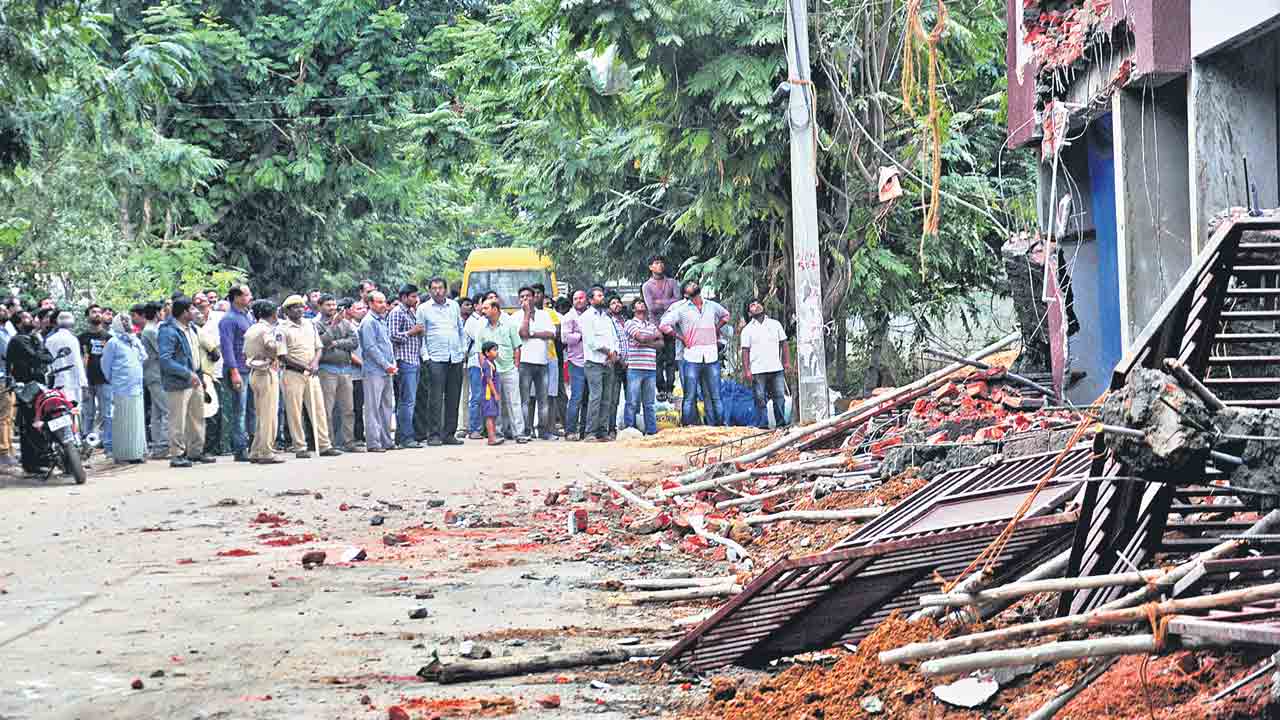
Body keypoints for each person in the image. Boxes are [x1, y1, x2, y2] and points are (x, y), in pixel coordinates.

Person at [660, 280, 730, 426]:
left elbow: (726, 315)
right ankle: (688, 426)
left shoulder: (711, 305)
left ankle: (719, 425)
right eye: (689, 285)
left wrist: (716, 329)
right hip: (692, 356)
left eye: (694, 283)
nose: (693, 285)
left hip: (711, 354)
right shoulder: (681, 309)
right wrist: (680, 337)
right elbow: (663, 324)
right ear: (686, 293)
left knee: (715, 395)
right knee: (689, 396)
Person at [279, 294, 341, 459]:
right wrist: (305, 366)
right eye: (295, 307)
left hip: (311, 373)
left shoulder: (309, 324)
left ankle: (324, 444)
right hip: (293, 373)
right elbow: (282, 355)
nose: (299, 310)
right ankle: (300, 446)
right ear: (287, 310)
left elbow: (319, 347)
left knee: (318, 409)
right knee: (295, 411)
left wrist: (314, 363)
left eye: (301, 306)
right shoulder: (282, 328)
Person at [157, 296, 214, 468]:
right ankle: (177, 454)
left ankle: (196, 451)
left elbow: (194, 356)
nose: (196, 312)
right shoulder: (168, 331)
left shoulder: (192, 329)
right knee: (178, 420)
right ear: (183, 312)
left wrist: (200, 377)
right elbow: (165, 360)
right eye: (192, 309)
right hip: (178, 383)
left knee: (197, 417)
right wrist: (187, 374)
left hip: (194, 379)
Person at [415, 277, 465, 446]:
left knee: (453, 396)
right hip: (435, 358)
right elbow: (421, 336)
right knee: (435, 398)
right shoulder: (423, 309)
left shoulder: (454, 306)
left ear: (445, 289)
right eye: (434, 288)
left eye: (440, 288)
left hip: (455, 356)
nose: (437, 291)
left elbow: (460, 329)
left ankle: (449, 434)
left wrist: (463, 350)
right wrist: (426, 357)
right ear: (429, 290)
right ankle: (434, 434)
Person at [6, 310, 54, 474]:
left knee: (42, 421)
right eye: (27, 317)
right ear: (19, 322)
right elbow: (36, 356)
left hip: (39, 385)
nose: (32, 319)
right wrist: (40, 353)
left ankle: (45, 459)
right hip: (26, 388)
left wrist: (40, 351)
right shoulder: (18, 340)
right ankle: (31, 464)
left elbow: (48, 357)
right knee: (30, 425)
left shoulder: (33, 338)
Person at [475, 298, 528, 443]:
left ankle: (519, 433)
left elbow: (517, 347)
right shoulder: (481, 328)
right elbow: (480, 352)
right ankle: (498, 433)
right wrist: (485, 370)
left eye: (486, 308)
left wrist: (516, 366)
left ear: (495, 309)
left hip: (509, 369)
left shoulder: (509, 324)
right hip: (493, 373)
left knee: (514, 402)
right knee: (495, 402)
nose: (482, 310)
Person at [100, 314, 148, 464]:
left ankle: (136, 452)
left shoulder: (134, 340)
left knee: (136, 421)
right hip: (121, 388)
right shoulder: (113, 342)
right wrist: (115, 380)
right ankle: (122, 455)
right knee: (122, 422)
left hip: (136, 387)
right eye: (124, 321)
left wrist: (135, 340)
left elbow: (144, 356)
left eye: (128, 321)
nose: (127, 324)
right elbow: (105, 366)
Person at [243, 300, 286, 464]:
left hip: (254, 372)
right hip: (267, 371)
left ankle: (256, 450)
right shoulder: (267, 330)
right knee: (269, 415)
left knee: (261, 414)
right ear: (273, 313)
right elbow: (271, 345)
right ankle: (267, 452)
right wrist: (279, 347)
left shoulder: (251, 329)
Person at [318, 295, 362, 453]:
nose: (332, 307)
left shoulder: (346, 323)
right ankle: (327, 443)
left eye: (333, 304)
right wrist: (332, 327)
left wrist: (336, 343)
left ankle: (348, 442)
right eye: (328, 305)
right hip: (327, 369)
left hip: (345, 369)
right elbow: (321, 343)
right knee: (327, 409)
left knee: (348, 408)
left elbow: (354, 342)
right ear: (320, 306)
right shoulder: (316, 324)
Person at [514, 286, 557, 441]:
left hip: (542, 362)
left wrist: (532, 333)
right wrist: (526, 315)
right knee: (525, 400)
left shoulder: (544, 315)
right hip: (524, 363)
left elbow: (552, 334)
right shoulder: (516, 316)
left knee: (543, 399)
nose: (525, 299)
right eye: (522, 297)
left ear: (534, 298)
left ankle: (544, 431)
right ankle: (527, 431)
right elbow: (522, 334)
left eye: (528, 296)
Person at [741, 298, 791, 429]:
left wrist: (786, 362)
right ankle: (763, 426)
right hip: (758, 370)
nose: (756, 306)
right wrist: (747, 370)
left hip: (776, 367)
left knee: (779, 398)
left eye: (758, 303)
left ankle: (781, 426)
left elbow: (784, 343)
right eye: (752, 305)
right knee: (759, 399)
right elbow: (745, 351)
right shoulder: (747, 330)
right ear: (749, 312)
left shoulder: (775, 324)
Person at [219, 285, 255, 462]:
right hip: (238, 369)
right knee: (239, 411)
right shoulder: (228, 319)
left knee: (251, 409)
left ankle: (253, 444)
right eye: (247, 294)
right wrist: (233, 371)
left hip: (250, 368)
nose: (250, 297)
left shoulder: (247, 316)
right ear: (236, 297)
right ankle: (240, 449)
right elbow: (227, 348)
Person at [359, 291, 397, 453]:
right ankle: (374, 442)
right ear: (370, 304)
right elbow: (370, 348)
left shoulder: (381, 320)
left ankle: (386, 440)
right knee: (373, 407)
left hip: (386, 369)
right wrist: (386, 364)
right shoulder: (368, 322)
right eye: (379, 302)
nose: (383, 305)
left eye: (384, 301)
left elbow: (386, 345)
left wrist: (391, 364)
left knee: (386, 406)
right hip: (374, 370)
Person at [581, 286, 620, 443]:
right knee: (595, 397)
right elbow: (591, 342)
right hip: (594, 363)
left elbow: (615, 339)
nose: (601, 298)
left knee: (607, 398)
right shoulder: (586, 317)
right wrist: (608, 353)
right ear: (591, 300)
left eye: (602, 295)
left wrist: (614, 353)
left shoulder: (607, 318)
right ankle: (590, 432)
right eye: (598, 295)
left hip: (608, 363)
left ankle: (603, 432)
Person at [388, 283, 424, 449]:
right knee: (406, 401)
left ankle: (403, 436)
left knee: (410, 401)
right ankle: (406, 437)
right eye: (413, 296)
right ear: (404, 297)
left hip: (414, 359)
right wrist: (412, 331)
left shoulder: (410, 312)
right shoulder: (397, 312)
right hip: (404, 360)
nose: (416, 299)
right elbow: (392, 335)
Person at [642, 256, 682, 401]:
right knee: (658, 360)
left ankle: (670, 388)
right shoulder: (647, 286)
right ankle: (660, 389)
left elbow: (679, 302)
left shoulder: (672, 282)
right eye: (656, 263)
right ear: (651, 267)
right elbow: (651, 308)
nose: (660, 265)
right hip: (655, 327)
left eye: (661, 263)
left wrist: (660, 302)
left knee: (671, 359)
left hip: (671, 326)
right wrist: (669, 303)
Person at [624, 299, 663, 435]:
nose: (641, 305)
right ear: (633, 309)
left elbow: (661, 343)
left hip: (650, 368)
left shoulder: (651, 324)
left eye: (643, 303)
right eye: (638, 304)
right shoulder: (629, 323)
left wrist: (645, 342)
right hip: (635, 367)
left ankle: (651, 431)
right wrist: (652, 338)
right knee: (632, 401)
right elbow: (641, 337)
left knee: (649, 403)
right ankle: (630, 430)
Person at [195, 294, 227, 457]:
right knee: (209, 412)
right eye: (197, 307)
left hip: (214, 372)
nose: (201, 312)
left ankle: (214, 446)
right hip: (205, 374)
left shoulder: (218, 318)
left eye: (204, 306)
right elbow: (214, 353)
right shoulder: (198, 331)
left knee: (214, 412)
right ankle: (207, 448)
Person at [79, 305, 112, 447]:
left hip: (104, 380)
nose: (97, 314)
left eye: (99, 312)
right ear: (87, 316)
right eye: (94, 312)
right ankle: (87, 441)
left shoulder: (109, 337)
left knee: (107, 413)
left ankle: (107, 441)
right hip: (86, 380)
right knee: (88, 413)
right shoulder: (80, 338)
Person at [139, 301, 168, 457]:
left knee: (157, 413)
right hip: (156, 375)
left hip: (154, 374)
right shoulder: (151, 331)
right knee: (167, 410)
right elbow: (162, 351)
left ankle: (158, 446)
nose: (163, 314)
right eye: (162, 311)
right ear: (157, 313)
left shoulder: (150, 330)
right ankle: (163, 445)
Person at [560, 290, 590, 440]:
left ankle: (585, 431)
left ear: (586, 300)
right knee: (576, 397)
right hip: (575, 362)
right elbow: (565, 338)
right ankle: (570, 431)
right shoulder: (568, 317)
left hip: (591, 361)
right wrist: (581, 335)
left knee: (588, 398)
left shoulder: (591, 315)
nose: (578, 300)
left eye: (581, 298)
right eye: (576, 298)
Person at [44, 312, 88, 411]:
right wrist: (84, 384)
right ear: (72, 323)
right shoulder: (72, 339)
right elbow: (77, 363)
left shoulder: (49, 340)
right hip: (73, 383)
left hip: (56, 383)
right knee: (73, 413)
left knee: (58, 412)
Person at [462, 293, 488, 440]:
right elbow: (482, 340)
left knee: (487, 396)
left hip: (488, 363)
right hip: (476, 363)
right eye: (482, 303)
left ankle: (485, 428)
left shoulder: (485, 320)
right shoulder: (473, 322)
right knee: (476, 396)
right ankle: (474, 429)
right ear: (477, 306)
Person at [478, 341, 504, 445]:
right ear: (487, 352)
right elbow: (489, 380)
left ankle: (492, 437)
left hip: (491, 394)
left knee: (492, 416)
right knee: (489, 416)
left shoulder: (492, 363)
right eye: (494, 350)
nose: (496, 352)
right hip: (488, 395)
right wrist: (495, 393)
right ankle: (491, 438)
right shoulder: (487, 364)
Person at [0, 304, 13, 465]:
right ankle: (3, 451)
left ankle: (8, 448)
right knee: (4, 414)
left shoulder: (6, 332)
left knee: (8, 415)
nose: (5, 312)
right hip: (2, 378)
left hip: (8, 378)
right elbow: (8, 354)